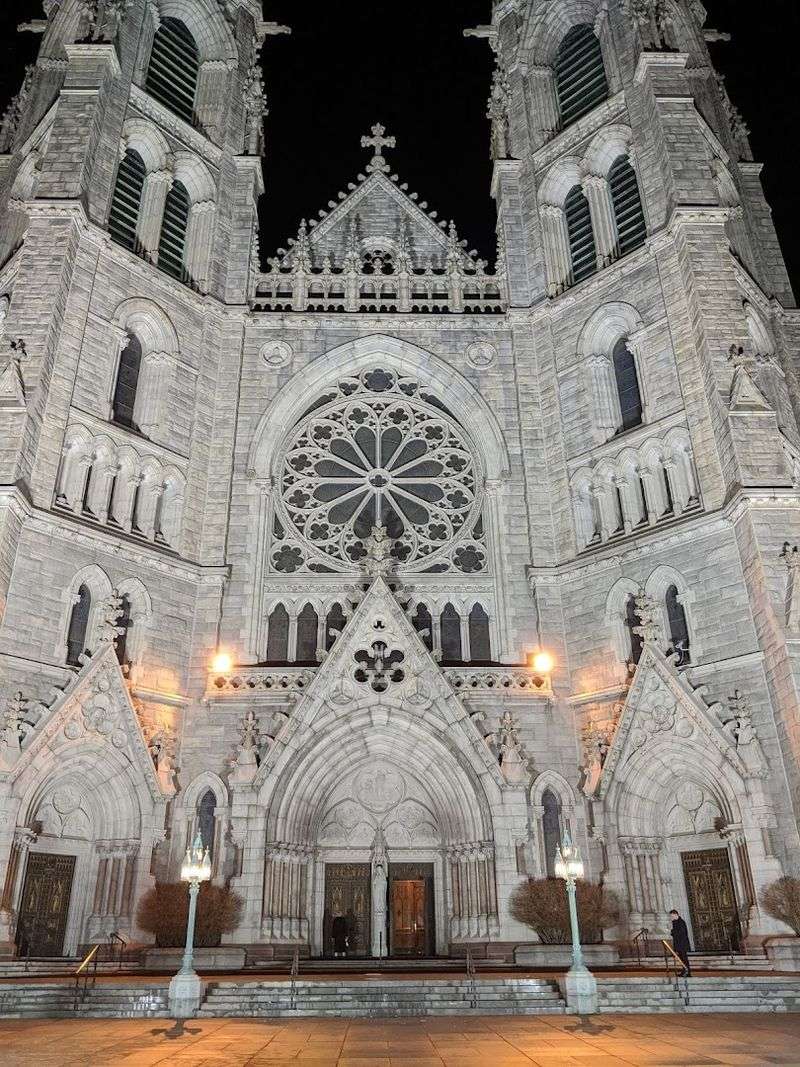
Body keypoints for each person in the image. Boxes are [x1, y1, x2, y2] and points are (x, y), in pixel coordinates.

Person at [669, 908, 692, 976]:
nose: (671, 918)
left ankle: (687, 972)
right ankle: (684, 971)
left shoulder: (681, 922)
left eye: (672, 916)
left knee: (684, 959)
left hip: (682, 944)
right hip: (679, 944)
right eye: (671, 916)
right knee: (682, 959)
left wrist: (672, 932)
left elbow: (681, 933)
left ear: (676, 914)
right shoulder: (676, 922)